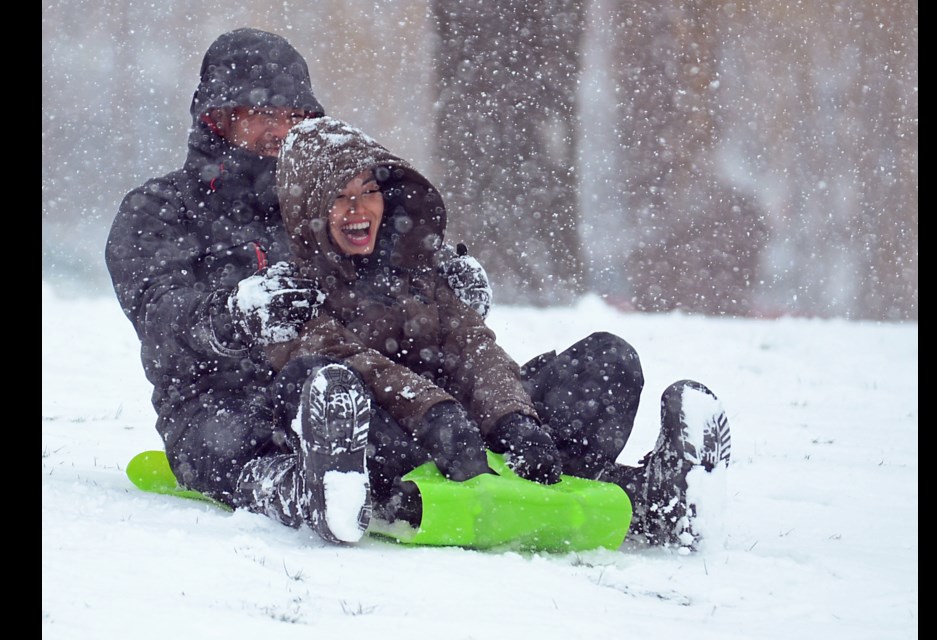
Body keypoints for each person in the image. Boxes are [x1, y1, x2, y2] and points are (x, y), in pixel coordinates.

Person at [229, 116, 732, 550]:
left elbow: (476, 348)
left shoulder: (418, 268)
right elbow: (350, 359)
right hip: (395, 443)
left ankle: (658, 499)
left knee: (608, 357)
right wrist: (436, 417)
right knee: (325, 382)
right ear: (311, 212)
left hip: (473, 440)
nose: (358, 210)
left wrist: (513, 422)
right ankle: (350, 491)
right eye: (340, 199)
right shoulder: (289, 290)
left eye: (368, 193)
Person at [103, 28, 491, 532]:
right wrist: (232, 317)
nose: (281, 129)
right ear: (216, 118)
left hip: (356, 387)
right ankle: (297, 490)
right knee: (229, 445)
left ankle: (566, 467)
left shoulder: (325, 205)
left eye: (294, 116)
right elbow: (160, 317)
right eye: (264, 113)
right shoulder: (160, 211)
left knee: (453, 394)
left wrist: (442, 289)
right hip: (221, 406)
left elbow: (386, 280)